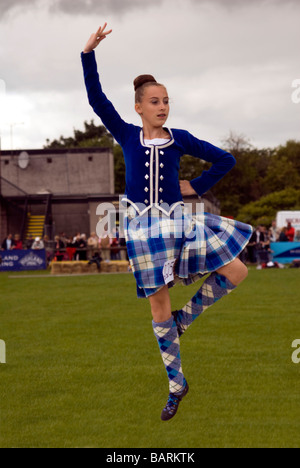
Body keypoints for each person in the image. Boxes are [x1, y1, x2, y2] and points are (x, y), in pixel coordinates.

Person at [81, 24, 253, 421]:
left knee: (238, 269)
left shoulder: (181, 138)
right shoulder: (125, 134)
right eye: (154, 101)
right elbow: (96, 99)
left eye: (166, 101)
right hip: (142, 231)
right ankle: (177, 386)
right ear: (139, 106)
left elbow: (226, 159)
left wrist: (195, 185)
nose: (162, 107)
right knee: (158, 309)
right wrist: (88, 55)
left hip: (180, 223)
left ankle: (185, 319)